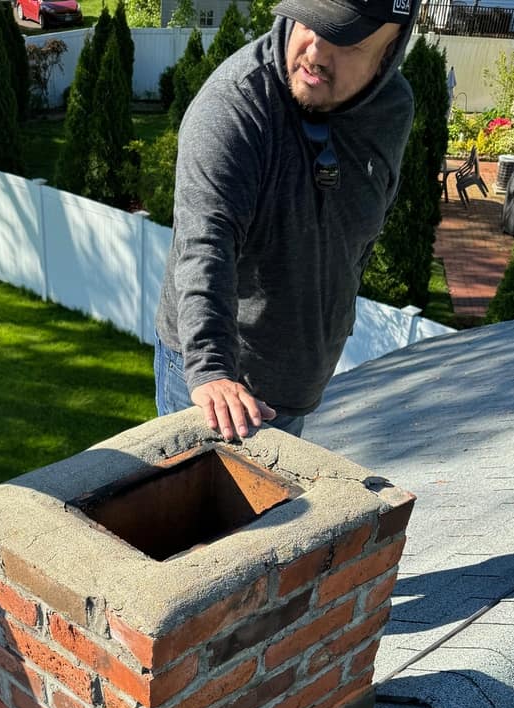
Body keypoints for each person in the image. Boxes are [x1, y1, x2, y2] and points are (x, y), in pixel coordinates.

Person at [155, 0, 419, 442]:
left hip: (298, 383)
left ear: (390, 49)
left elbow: (359, 232)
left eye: (344, 38)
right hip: (219, 384)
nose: (315, 51)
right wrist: (213, 370)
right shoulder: (232, 108)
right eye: (310, 22)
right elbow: (206, 245)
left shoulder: (391, 111)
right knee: (210, 512)